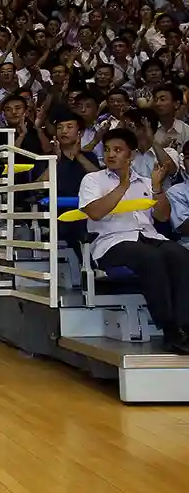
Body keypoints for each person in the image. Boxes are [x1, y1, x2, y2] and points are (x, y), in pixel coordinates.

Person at [84, 128, 189, 354]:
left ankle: (185, 325)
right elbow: (94, 212)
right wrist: (122, 186)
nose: (111, 155)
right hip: (111, 242)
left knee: (180, 255)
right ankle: (169, 329)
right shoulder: (93, 179)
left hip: (148, 236)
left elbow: (162, 217)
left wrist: (157, 188)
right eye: (108, 150)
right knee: (151, 258)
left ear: (130, 156)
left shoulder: (144, 182)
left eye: (118, 150)